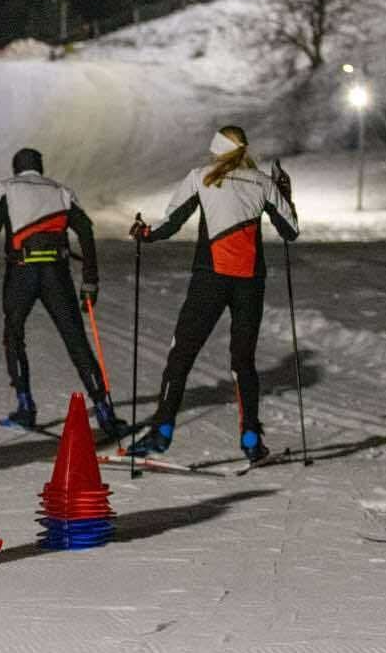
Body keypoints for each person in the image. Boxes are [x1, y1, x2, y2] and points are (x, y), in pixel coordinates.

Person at [127, 126, 299, 462]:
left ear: (216, 150)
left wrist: (143, 233)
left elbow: (170, 224)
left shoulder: (200, 177)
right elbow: (290, 231)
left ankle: (162, 430)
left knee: (182, 354)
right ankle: (251, 437)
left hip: (210, 278)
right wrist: (285, 192)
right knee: (243, 361)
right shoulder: (262, 182)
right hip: (250, 281)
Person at [0, 147, 128, 437]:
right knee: (76, 340)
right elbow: (86, 231)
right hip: (56, 274)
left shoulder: (7, 189)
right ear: (40, 167)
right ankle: (105, 412)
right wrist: (90, 279)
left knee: (14, 335)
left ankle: (25, 407)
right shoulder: (61, 191)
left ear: (16, 167)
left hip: (21, 272)